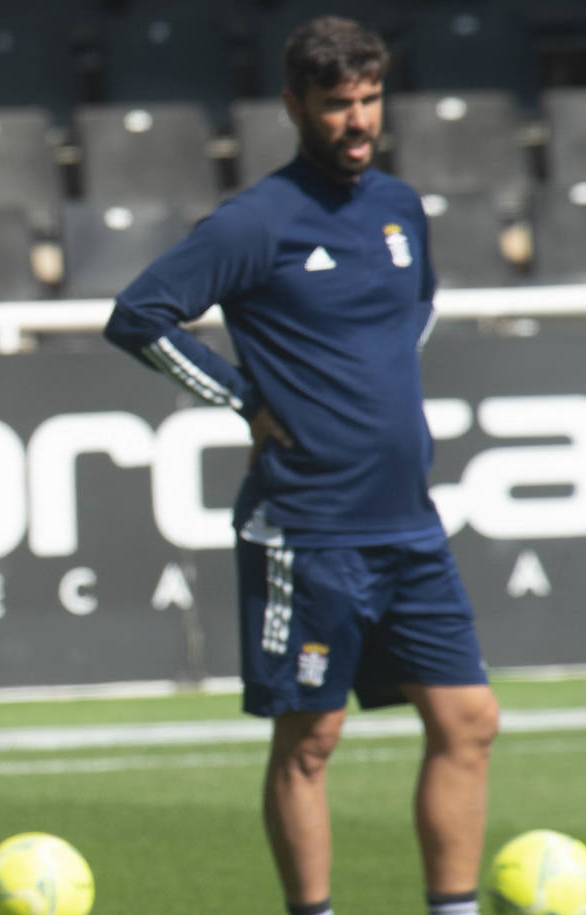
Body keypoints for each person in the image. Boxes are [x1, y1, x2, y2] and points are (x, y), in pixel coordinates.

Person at [103, 17, 500, 915]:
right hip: (308, 528)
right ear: (295, 106)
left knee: (469, 721)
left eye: (368, 100)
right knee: (312, 739)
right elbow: (137, 316)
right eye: (337, 105)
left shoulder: (401, 208)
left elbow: (419, 309)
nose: (357, 122)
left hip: (410, 520)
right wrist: (247, 398)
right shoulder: (256, 221)